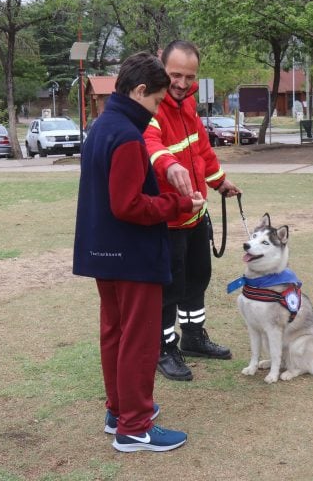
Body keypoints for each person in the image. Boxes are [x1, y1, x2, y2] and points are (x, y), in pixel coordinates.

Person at [73, 52, 204, 453]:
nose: (157, 111)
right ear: (141, 90)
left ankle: (119, 413)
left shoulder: (102, 126)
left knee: (115, 333)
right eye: (156, 102)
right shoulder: (128, 136)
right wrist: (179, 205)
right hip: (132, 257)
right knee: (139, 339)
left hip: (103, 253)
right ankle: (135, 427)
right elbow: (128, 205)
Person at [144, 40, 241, 381]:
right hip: (167, 221)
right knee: (168, 289)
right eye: (175, 75)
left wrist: (220, 182)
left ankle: (194, 337)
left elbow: (201, 150)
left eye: (189, 76)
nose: (182, 84)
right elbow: (151, 145)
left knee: (197, 279)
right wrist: (169, 166)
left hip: (196, 214)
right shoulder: (152, 108)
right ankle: (163, 348)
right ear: (161, 67)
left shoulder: (188, 107)